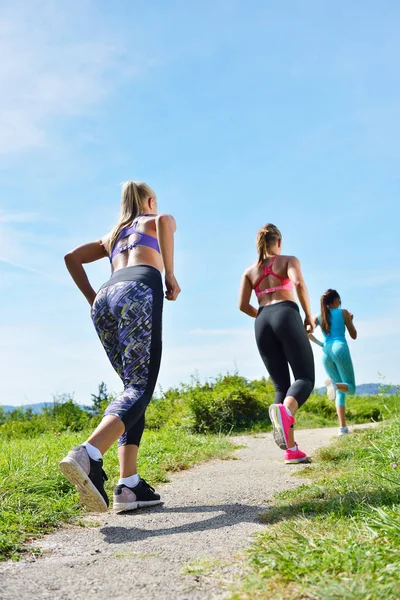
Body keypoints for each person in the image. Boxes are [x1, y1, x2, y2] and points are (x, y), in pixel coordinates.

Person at [59, 181, 180, 512]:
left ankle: (129, 485)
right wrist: (169, 273)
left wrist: (91, 298)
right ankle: (88, 453)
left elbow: (71, 258)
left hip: (106, 298)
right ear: (149, 200)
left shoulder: (112, 234)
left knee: (132, 389)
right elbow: (165, 222)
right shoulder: (149, 219)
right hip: (139, 290)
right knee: (140, 387)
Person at [239, 224, 315, 464]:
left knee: (281, 386)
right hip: (286, 314)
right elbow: (299, 284)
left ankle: (291, 449)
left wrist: (265, 317)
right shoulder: (288, 260)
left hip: (261, 320)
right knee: (304, 378)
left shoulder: (249, 272)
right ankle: (286, 414)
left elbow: (242, 305)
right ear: (278, 242)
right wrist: (308, 315)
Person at [309, 289, 357, 436]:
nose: (340, 303)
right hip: (340, 348)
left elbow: (307, 332)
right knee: (351, 388)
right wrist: (350, 320)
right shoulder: (343, 313)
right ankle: (334, 385)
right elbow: (354, 335)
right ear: (336, 300)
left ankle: (342, 428)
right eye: (340, 300)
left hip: (326, 352)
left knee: (339, 391)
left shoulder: (318, 316)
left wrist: (321, 344)